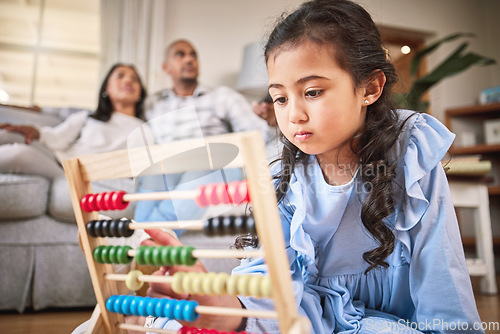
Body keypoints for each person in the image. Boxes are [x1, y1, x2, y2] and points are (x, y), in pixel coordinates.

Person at [139, 1, 484, 333]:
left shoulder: (410, 154)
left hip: (387, 324)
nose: (294, 115)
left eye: (313, 91)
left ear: (370, 87)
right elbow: (273, 283)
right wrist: (226, 310)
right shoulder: (283, 177)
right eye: (280, 98)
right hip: (307, 320)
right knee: (169, 323)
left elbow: (443, 276)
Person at [134, 39, 276, 223]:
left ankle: (148, 237)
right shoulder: (152, 104)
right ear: (166, 67)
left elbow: (255, 135)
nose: (189, 59)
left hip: (213, 162)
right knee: (154, 173)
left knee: (203, 168)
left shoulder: (223, 96)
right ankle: (143, 237)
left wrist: (268, 120)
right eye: (180, 55)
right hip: (169, 165)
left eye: (193, 55)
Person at [0, 63, 148, 179]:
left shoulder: (145, 129)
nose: (128, 80)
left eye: (134, 79)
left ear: (140, 93)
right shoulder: (88, 117)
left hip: (74, 174)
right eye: (120, 76)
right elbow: (57, 138)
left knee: (19, 155)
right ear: (106, 89)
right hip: (58, 158)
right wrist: (36, 132)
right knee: (8, 135)